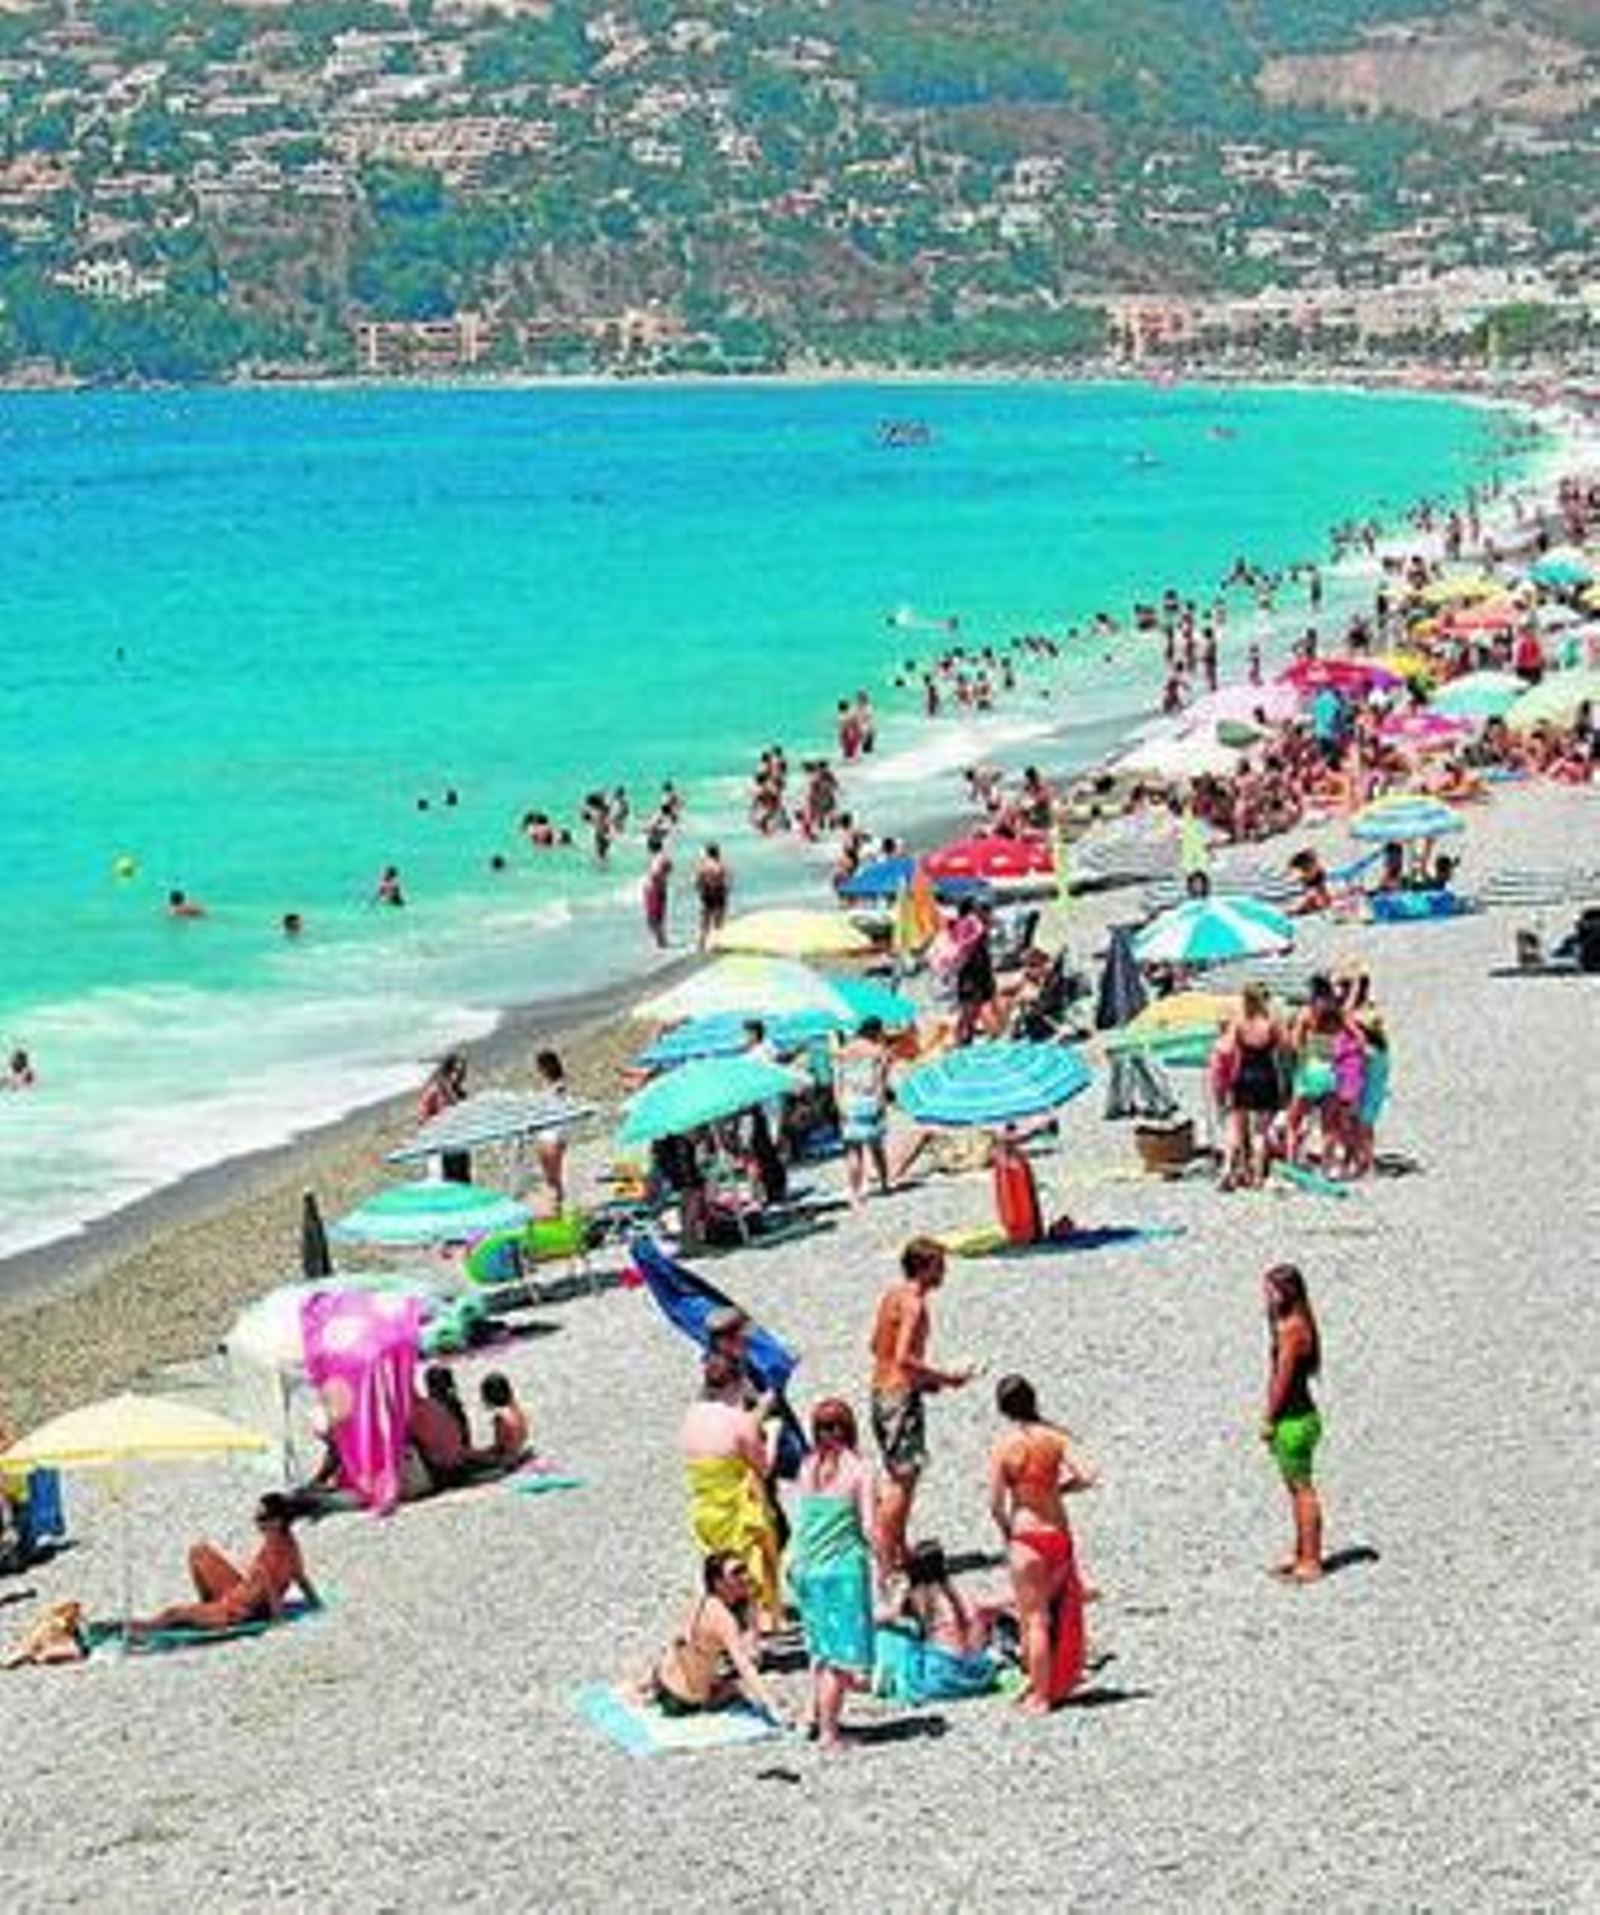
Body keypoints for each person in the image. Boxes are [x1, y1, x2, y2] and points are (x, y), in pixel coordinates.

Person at [868, 1238, 978, 1579]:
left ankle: (899, 1550)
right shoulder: (915, 1304)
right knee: (903, 1481)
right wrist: (946, 1378)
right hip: (900, 1399)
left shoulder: (892, 1295)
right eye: (940, 1265)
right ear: (925, 1267)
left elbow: (876, 1346)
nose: (944, 1271)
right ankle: (887, 1561)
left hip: (880, 1392)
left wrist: (923, 1382)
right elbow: (904, 1358)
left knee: (897, 1474)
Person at [989, 1375, 1096, 1713]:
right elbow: (1088, 1474)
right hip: (1057, 1533)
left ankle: (1040, 1694)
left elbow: (994, 1503)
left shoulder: (1004, 1447)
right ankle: (1059, 1680)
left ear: (1002, 1408)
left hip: (1026, 1534)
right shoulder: (1054, 1439)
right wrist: (1059, 1490)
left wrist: (1009, 1532)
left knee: (1033, 1619)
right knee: (1061, 1610)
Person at [788, 1399, 876, 1749]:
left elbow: (805, 1520)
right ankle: (829, 1732)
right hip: (841, 1572)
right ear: (850, 1428)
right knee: (840, 1658)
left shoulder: (808, 1466)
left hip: (806, 1567)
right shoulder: (860, 1469)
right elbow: (869, 1526)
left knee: (820, 1651)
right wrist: (888, 1562)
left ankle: (811, 1716)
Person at [681, 1351, 782, 1629]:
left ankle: (721, 1635)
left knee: (718, 1576)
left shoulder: (692, 1414)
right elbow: (763, 1467)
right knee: (748, 1575)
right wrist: (772, 1434)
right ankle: (752, 1643)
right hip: (736, 1509)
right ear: (737, 1383)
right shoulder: (740, 1423)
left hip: (705, 1509)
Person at [128, 1494, 320, 1638]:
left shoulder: (277, 1549)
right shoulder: (286, 1541)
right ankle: (205, 1607)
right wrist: (316, 1604)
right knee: (199, 1552)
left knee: (173, 1613)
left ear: (277, 1522)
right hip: (238, 1593)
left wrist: (278, 1619)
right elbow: (300, 1577)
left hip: (236, 1612)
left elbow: (270, 1583)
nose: (256, 1521)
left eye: (261, 1518)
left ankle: (147, 1629)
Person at [642, 1551, 787, 1722]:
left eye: (745, 1569)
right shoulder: (722, 1618)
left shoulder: (703, 1599)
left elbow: (678, 1641)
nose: (746, 1576)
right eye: (737, 1572)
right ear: (719, 1583)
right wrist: (772, 1706)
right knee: (738, 1687)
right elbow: (745, 1665)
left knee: (693, 1660)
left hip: (662, 1677)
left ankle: (648, 1687)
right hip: (683, 1700)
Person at [873, 1538, 1000, 1704]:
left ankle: (879, 1678)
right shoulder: (960, 1593)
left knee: (889, 1633)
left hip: (944, 1677)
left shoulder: (920, 1597)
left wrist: (898, 1591)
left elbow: (877, 1616)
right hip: (980, 1674)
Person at [1261, 1264, 1325, 1583]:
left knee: (1302, 1490)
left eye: (1272, 1290)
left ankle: (1311, 1560)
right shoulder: (1301, 1323)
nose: (1267, 1297)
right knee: (1297, 1488)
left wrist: (1268, 1418)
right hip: (1303, 1415)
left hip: (1294, 1419)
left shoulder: (1290, 1330)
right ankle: (1302, 1554)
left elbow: (1282, 1378)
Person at [1211, 983, 1290, 1190]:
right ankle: (1257, 1177)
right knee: (1261, 1132)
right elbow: (1286, 1047)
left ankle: (1236, 1171)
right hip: (1265, 1076)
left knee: (1239, 1128)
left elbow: (1226, 1048)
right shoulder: (1271, 1022)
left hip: (1243, 1077)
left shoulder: (1239, 1022)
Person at [833, 1016, 891, 1210]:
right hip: (870, 1100)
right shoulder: (879, 1052)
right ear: (876, 1031)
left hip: (848, 1101)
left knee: (853, 1151)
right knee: (876, 1146)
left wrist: (839, 1104)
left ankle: (855, 1195)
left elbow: (837, 1082)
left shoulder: (842, 1051)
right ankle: (884, 1184)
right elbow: (880, 1083)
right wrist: (882, 1105)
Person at [418, 1051, 470, 1182]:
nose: (458, 1076)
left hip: (459, 1144)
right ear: (447, 1070)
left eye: (461, 1072)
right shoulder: (434, 1092)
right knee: (446, 1181)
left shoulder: (461, 1094)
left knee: (462, 1181)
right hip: (441, 1144)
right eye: (455, 1071)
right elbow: (423, 1120)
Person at [531, 1048, 573, 1210]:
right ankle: (556, 1207)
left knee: (553, 1176)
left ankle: (557, 1208)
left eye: (541, 1066)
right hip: (546, 1133)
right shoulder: (550, 1085)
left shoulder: (559, 1085)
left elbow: (559, 1107)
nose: (539, 1070)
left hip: (555, 1134)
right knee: (550, 1177)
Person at [476, 1373, 531, 1468]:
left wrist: (483, 1454)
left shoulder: (500, 1418)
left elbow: (501, 1447)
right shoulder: (516, 1410)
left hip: (509, 1459)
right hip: (521, 1452)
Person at [693, 843, 731, 949]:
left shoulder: (702, 866)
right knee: (717, 922)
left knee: (704, 922)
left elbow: (696, 882)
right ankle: (715, 944)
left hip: (706, 895)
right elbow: (727, 883)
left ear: (708, 854)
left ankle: (700, 944)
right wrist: (725, 892)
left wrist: (700, 890)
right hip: (719, 894)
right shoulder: (721, 866)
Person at [642, 833, 672, 948]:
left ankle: (661, 942)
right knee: (658, 917)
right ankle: (662, 941)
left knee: (653, 918)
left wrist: (650, 881)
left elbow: (655, 874)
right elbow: (669, 868)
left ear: (651, 847)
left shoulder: (657, 858)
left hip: (654, 890)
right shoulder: (664, 857)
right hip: (661, 888)